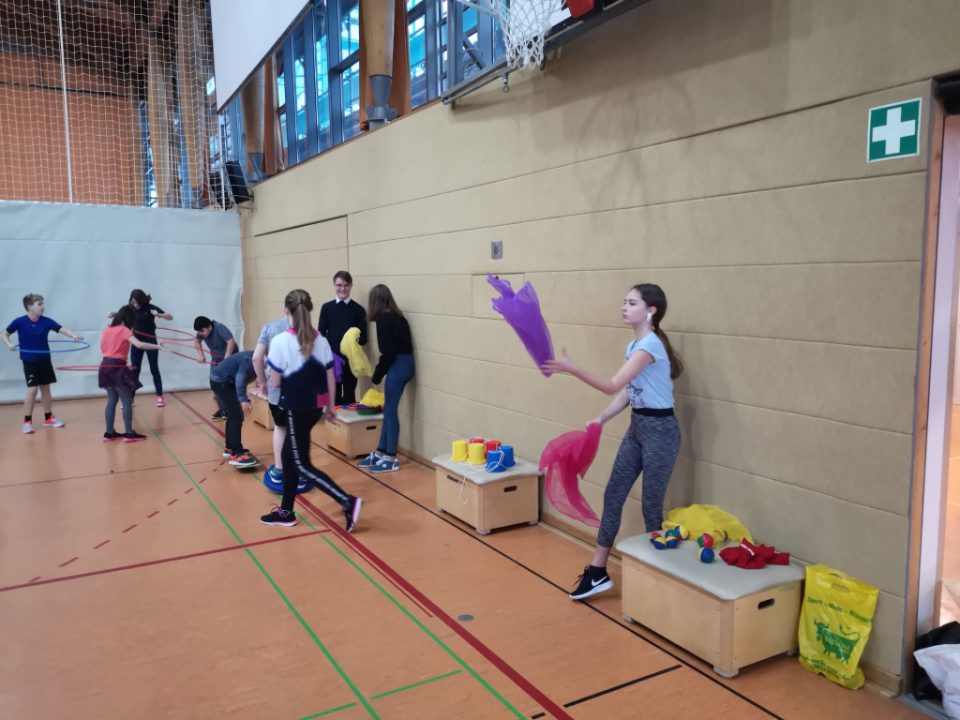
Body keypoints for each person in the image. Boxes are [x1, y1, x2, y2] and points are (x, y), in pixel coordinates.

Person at [541, 283, 683, 601]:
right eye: (624, 301)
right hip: (638, 428)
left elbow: (611, 384)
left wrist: (574, 369)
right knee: (613, 494)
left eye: (632, 303)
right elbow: (627, 393)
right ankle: (597, 572)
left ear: (651, 311)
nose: (624, 307)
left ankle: (658, 581)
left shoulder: (649, 346)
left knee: (651, 506)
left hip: (661, 432)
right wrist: (601, 418)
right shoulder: (634, 345)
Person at [262, 289, 362, 532]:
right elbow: (330, 376)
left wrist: (269, 378)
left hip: (295, 408)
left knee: (301, 464)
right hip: (314, 408)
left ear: (286, 311)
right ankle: (286, 511)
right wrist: (330, 407)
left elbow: (275, 382)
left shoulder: (280, 341)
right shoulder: (322, 341)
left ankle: (347, 501)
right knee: (288, 458)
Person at [3, 293, 83, 433]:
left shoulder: (46, 321)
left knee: (45, 388)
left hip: (44, 360)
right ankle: (27, 421)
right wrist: (9, 344)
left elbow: (61, 329)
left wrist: (73, 335)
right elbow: (4, 333)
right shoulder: (19, 322)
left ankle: (48, 418)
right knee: (32, 390)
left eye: (42, 304)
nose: (43, 307)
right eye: (39, 304)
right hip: (30, 361)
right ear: (30, 307)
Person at [358, 284, 415, 474]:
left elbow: (388, 353)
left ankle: (391, 457)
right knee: (388, 410)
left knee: (390, 411)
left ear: (375, 302)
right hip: (407, 364)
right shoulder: (399, 317)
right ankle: (381, 451)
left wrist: (377, 374)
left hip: (398, 365)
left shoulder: (383, 320)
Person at [252, 314, 307, 491]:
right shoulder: (307, 329)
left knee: (281, 427)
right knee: (298, 431)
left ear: (285, 308)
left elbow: (256, 358)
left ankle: (279, 470)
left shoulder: (270, 327)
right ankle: (299, 473)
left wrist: (262, 382)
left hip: (277, 392)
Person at [99, 305, 161, 442]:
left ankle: (109, 433)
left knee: (112, 400)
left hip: (105, 365)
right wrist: (157, 346)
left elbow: (104, 348)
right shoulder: (124, 330)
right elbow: (140, 345)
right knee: (126, 401)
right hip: (116, 366)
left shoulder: (107, 329)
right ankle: (129, 433)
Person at [318, 270, 367, 406]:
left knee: (350, 395)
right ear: (334, 285)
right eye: (339, 285)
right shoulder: (327, 308)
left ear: (351, 285)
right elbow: (321, 334)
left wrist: (354, 341)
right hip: (333, 359)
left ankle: (348, 420)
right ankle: (335, 420)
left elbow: (364, 338)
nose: (342, 288)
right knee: (334, 395)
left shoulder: (358, 310)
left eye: (346, 285)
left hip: (351, 360)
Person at [208, 350, 259, 468]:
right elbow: (240, 378)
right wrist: (243, 400)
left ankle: (230, 448)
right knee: (236, 416)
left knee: (233, 415)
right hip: (221, 381)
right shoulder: (250, 360)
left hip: (227, 381)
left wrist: (244, 396)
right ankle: (236, 453)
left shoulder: (258, 358)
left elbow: (243, 379)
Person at [128, 289, 172, 407]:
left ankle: (159, 396)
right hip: (136, 342)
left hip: (150, 341)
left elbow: (170, 317)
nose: (134, 304)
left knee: (154, 368)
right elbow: (121, 317)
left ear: (141, 300)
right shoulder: (130, 308)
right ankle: (130, 398)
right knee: (135, 370)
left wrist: (159, 315)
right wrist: (114, 315)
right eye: (132, 302)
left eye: (136, 302)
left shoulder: (150, 308)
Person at [194, 315, 236, 421]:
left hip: (230, 357)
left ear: (210, 327)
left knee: (228, 383)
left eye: (202, 331)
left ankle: (232, 406)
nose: (200, 334)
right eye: (199, 332)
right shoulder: (201, 332)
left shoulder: (220, 328)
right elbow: (197, 341)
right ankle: (223, 409)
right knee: (214, 384)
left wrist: (226, 359)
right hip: (216, 359)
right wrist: (200, 354)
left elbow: (231, 342)